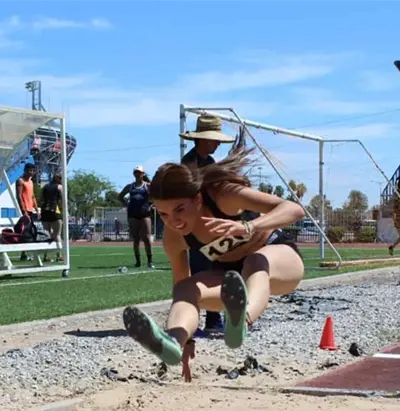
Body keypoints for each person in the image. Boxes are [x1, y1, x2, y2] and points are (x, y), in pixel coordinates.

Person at [121, 146, 305, 370]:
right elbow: (180, 282)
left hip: (279, 261)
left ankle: (241, 322)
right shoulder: (174, 236)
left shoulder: (223, 196)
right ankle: (173, 344)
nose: (174, 221)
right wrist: (188, 340)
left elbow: (294, 210)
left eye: (179, 209)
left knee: (255, 262)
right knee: (185, 289)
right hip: (232, 281)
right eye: (164, 214)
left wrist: (248, 227)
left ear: (198, 199)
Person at [180, 114, 237, 335]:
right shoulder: (188, 165)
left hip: (211, 227)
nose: (217, 144)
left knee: (214, 271)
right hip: (196, 229)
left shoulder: (209, 162)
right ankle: (192, 322)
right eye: (215, 140)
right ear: (203, 139)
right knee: (198, 275)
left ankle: (213, 319)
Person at [118, 166, 155, 268]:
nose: (137, 174)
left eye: (139, 172)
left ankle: (150, 261)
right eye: (136, 172)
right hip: (132, 215)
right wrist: (126, 204)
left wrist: (151, 205)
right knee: (136, 239)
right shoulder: (130, 186)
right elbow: (120, 196)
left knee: (146, 238)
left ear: (143, 174)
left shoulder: (147, 186)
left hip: (145, 214)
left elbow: (156, 196)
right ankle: (138, 262)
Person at [40, 173, 64, 263]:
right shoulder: (59, 187)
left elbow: (41, 199)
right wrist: (63, 210)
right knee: (57, 235)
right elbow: (63, 200)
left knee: (46, 235)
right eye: (61, 178)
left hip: (45, 212)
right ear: (57, 179)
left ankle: (46, 256)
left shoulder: (45, 187)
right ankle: (59, 256)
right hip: (54, 212)